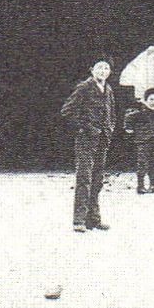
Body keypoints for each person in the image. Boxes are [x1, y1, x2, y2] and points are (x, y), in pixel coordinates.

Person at [61, 58, 116, 232]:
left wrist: (109, 128)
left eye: (106, 68)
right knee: (84, 178)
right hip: (86, 140)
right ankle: (79, 221)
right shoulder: (84, 87)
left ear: (110, 72)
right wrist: (85, 128)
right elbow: (67, 111)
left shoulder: (108, 90)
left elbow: (112, 112)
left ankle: (94, 219)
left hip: (102, 140)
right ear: (92, 70)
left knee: (98, 179)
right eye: (99, 67)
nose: (102, 71)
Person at [124, 88, 154, 194]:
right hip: (143, 141)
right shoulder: (140, 112)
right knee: (142, 163)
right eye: (151, 99)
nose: (153, 102)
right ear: (146, 100)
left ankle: (152, 185)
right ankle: (141, 186)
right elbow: (128, 117)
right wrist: (129, 128)